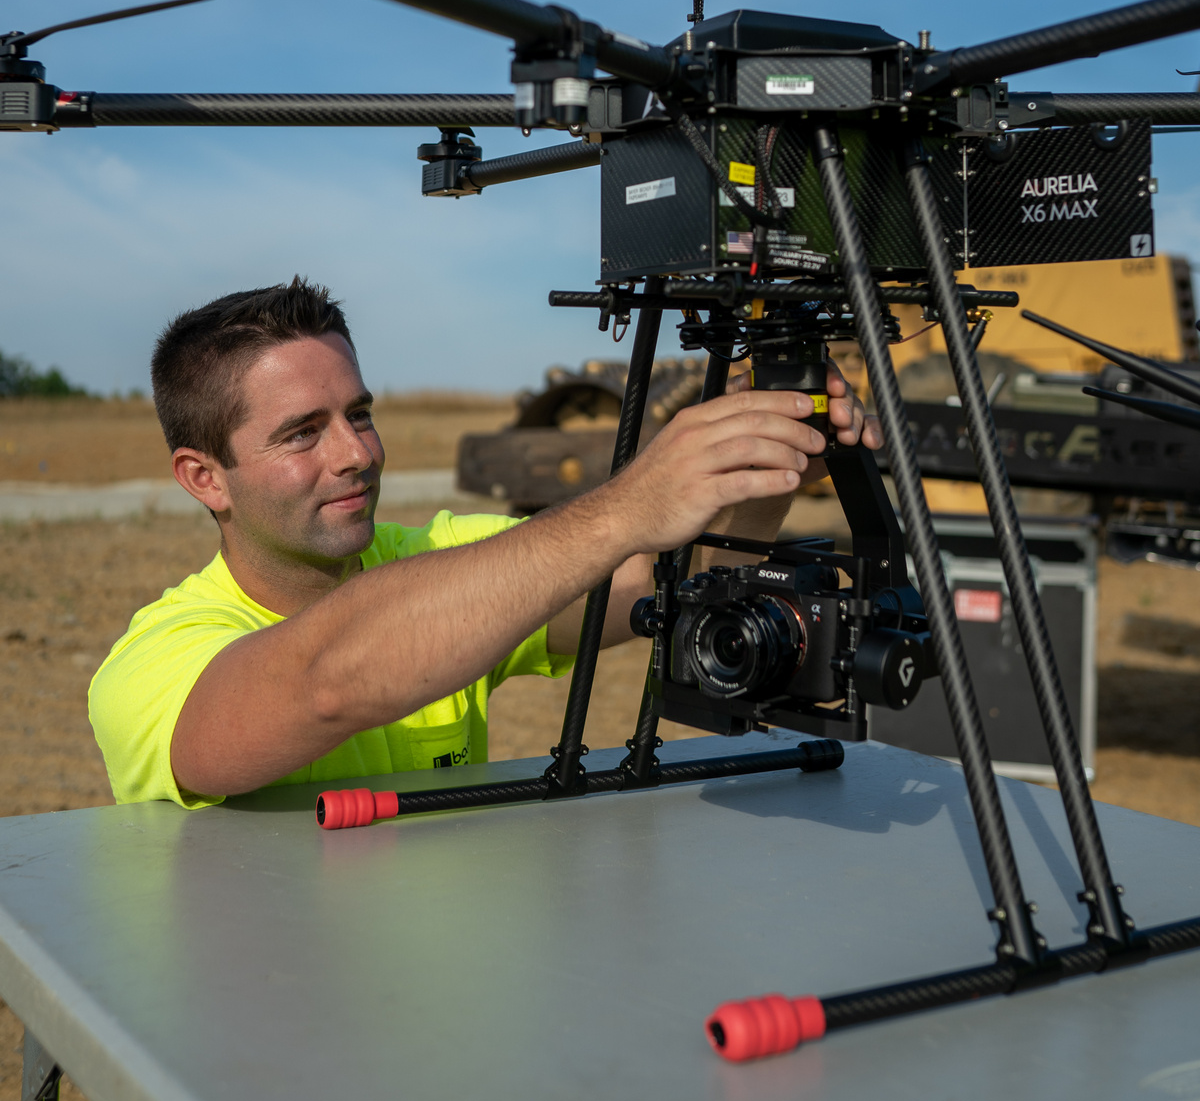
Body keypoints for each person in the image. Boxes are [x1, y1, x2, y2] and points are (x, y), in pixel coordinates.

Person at [89, 277, 878, 808]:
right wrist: (627, 504)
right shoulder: (154, 666)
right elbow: (326, 680)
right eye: (302, 434)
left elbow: (664, 582)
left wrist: (754, 451)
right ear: (204, 477)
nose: (357, 454)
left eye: (358, 414)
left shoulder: (441, 557)